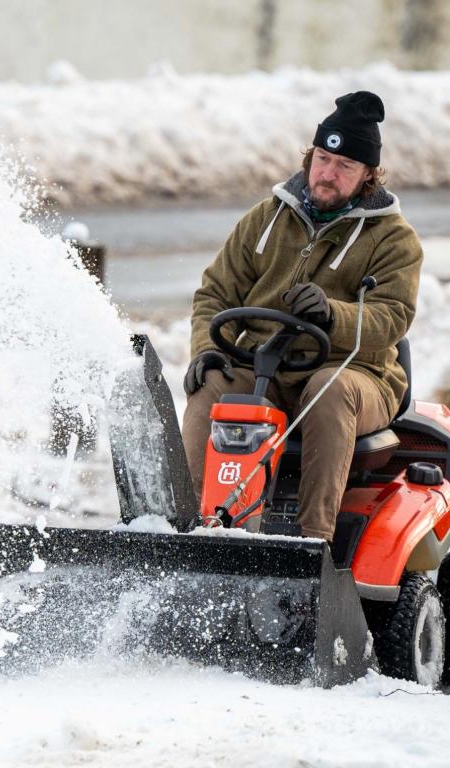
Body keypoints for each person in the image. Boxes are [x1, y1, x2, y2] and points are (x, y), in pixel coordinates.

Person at [181, 91, 422, 542]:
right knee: (210, 385)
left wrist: (335, 315)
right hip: (266, 367)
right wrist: (208, 350)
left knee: (327, 390)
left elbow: (392, 318)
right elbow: (214, 293)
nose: (328, 173)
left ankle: (313, 546)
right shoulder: (265, 220)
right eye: (323, 158)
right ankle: (196, 533)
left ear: (369, 175)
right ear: (310, 155)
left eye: (345, 165)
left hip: (355, 373)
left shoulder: (394, 240)